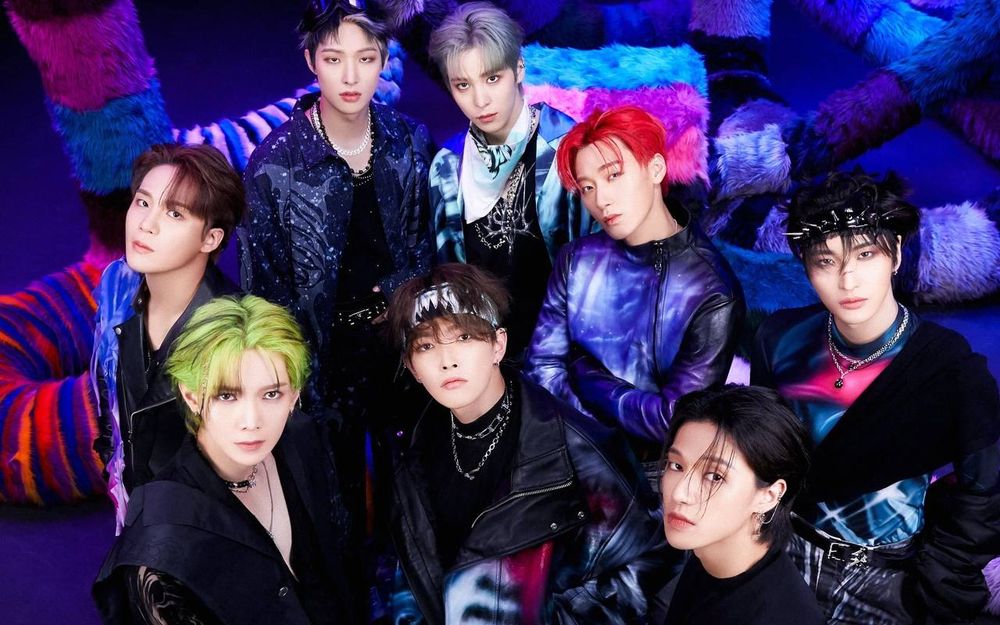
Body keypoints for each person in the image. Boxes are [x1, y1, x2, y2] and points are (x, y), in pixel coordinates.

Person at [751, 170, 1000, 624]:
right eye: (826, 260)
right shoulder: (780, 339)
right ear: (805, 266)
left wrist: (937, 573)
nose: (848, 279)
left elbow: (985, 491)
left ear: (896, 254)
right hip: (781, 553)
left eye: (865, 254)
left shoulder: (950, 367)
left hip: (882, 576)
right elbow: (760, 449)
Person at [239, 0, 434, 542]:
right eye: (333, 59)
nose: (351, 77)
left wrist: (401, 301)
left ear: (385, 59)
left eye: (366, 59)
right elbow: (264, 292)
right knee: (332, 503)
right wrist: (285, 378)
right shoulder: (274, 165)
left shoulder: (409, 141)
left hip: (400, 340)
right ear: (310, 61)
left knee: (414, 487)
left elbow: (427, 250)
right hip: (321, 355)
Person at [384, 263, 670, 624]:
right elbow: (414, 565)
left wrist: (548, 616)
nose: (447, 361)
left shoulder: (575, 445)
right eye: (426, 346)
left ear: (498, 345)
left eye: (465, 337)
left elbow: (647, 558)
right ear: (412, 367)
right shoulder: (414, 447)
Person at [93, 295, 357, 625]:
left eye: (271, 394)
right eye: (227, 395)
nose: (252, 421)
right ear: (191, 396)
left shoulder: (300, 439)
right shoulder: (159, 551)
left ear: (294, 395)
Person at [525, 105, 744, 487]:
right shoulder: (575, 260)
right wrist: (594, 441)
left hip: (660, 481)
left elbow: (673, 420)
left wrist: (585, 374)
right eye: (587, 187)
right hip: (570, 458)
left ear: (655, 169)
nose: (601, 199)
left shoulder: (711, 289)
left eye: (614, 175)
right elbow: (541, 368)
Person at [426, 2, 599, 356]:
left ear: (518, 69)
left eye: (492, 78)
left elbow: (602, 276)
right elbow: (451, 282)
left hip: (569, 356)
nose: (480, 99)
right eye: (463, 85)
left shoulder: (568, 147)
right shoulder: (447, 167)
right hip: (485, 359)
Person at [92, 143, 243, 532]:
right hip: (139, 524)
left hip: (209, 535)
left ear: (210, 239)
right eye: (143, 203)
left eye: (174, 213)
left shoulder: (237, 339)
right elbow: (110, 408)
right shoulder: (117, 291)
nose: (147, 224)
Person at [652, 385, 823, 625]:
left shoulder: (777, 615)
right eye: (676, 466)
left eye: (715, 477)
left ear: (769, 495)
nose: (680, 493)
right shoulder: (708, 552)